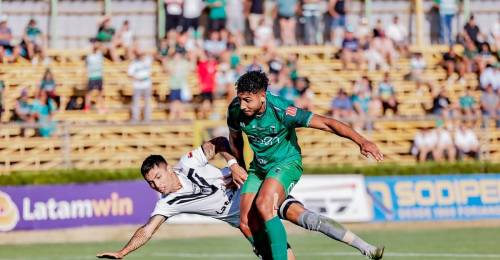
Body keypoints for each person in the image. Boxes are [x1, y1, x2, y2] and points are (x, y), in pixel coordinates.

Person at [96, 137, 384, 259]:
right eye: (150, 183)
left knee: (306, 217)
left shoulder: (188, 164)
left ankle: (366, 248)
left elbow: (220, 142)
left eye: (157, 177)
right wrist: (123, 252)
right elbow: (148, 229)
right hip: (247, 224)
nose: (155, 186)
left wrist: (233, 165)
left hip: (255, 192)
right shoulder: (166, 204)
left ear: (167, 169)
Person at [226, 71, 384, 260]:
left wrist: (362, 141)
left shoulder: (282, 110)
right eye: (240, 99)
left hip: (286, 164)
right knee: (245, 222)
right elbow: (235, 140)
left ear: (262, 96)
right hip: (259, 170)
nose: (242, 105)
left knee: (265, 204)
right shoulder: (235, 109)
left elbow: (327, 123)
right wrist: (239, 166)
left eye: (248, 100)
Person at [128, 48, 153, 122]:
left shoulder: (148, 60)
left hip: (147, 85)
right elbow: (130, 74)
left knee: (147, 102)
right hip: (137, 85)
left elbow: (154, 53)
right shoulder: (134, 63)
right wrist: (137, 79)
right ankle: (135, 118)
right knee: (136, 102)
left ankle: (147, 118)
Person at [85, 41, 105, 112]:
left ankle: (101, 107)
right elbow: (86, 67)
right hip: (91, 77)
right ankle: (87, 107)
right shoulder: (89, 56)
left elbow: (103, 48)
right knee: (89, 93)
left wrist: (98, 45)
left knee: (101, 93)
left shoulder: (100, 55)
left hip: (99, 76)